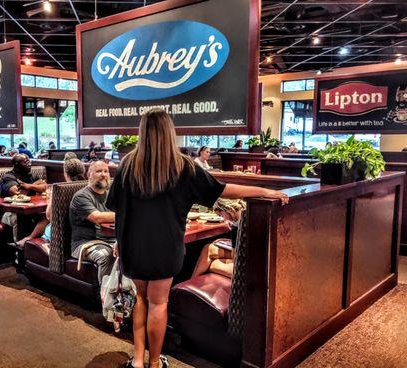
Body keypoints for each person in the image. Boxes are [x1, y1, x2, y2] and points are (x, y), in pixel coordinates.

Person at [106, 109, 288, 368]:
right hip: (165, 248)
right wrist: (264, 190)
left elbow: (117, 209)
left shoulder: (127, 166)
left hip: (132, 247)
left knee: (141, 299)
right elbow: (223, 189)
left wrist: (119, 241)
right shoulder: (183, 167)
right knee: (159, 303)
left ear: (142, 132)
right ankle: (155, 363)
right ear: (170, 132)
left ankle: (137, 360)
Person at [18, 158, 86, 247]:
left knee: (47, 221)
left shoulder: (61, 189)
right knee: (44, 222)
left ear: (66, 173)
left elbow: (49, 216)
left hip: (62, 233)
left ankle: (28, 240)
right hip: (83, 231)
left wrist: (50, 199)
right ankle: (28, 238)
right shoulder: (87, 186)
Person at [70, 161, 116, 285]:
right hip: (85, 243)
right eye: (98, 171)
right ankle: (105, 297)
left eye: (106, 171)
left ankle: (128, 294)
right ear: (88, 175)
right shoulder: (81, 196)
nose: (103, 174)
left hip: (110, 239)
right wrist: (126, 215)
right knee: (107, 255)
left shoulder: (111, 194)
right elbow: (98, 217)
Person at [191, 198, 246, 279]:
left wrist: (223, 261)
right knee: (208, 248)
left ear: (230, 209)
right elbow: (235, 253)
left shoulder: (243, 222)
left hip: (248, 266)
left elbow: (237, 257)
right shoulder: (239, 221)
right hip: (242, 255)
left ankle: (192, 283)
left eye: (221, 215)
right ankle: (192, 283)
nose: (223, 219)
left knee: (213, 264)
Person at [0, 154, 47, 241]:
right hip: (10, 212)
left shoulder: (31, 175)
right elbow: (17, 192)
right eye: (26, 162)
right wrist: (35, 185)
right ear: (16, 164)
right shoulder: (9, 176)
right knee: (22, 218)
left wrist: (28, 186)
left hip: (31, 210)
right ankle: (19, 249)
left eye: (29, 161)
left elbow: (44, 187)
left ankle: (34, 248)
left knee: (47, 217)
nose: (29, 164)